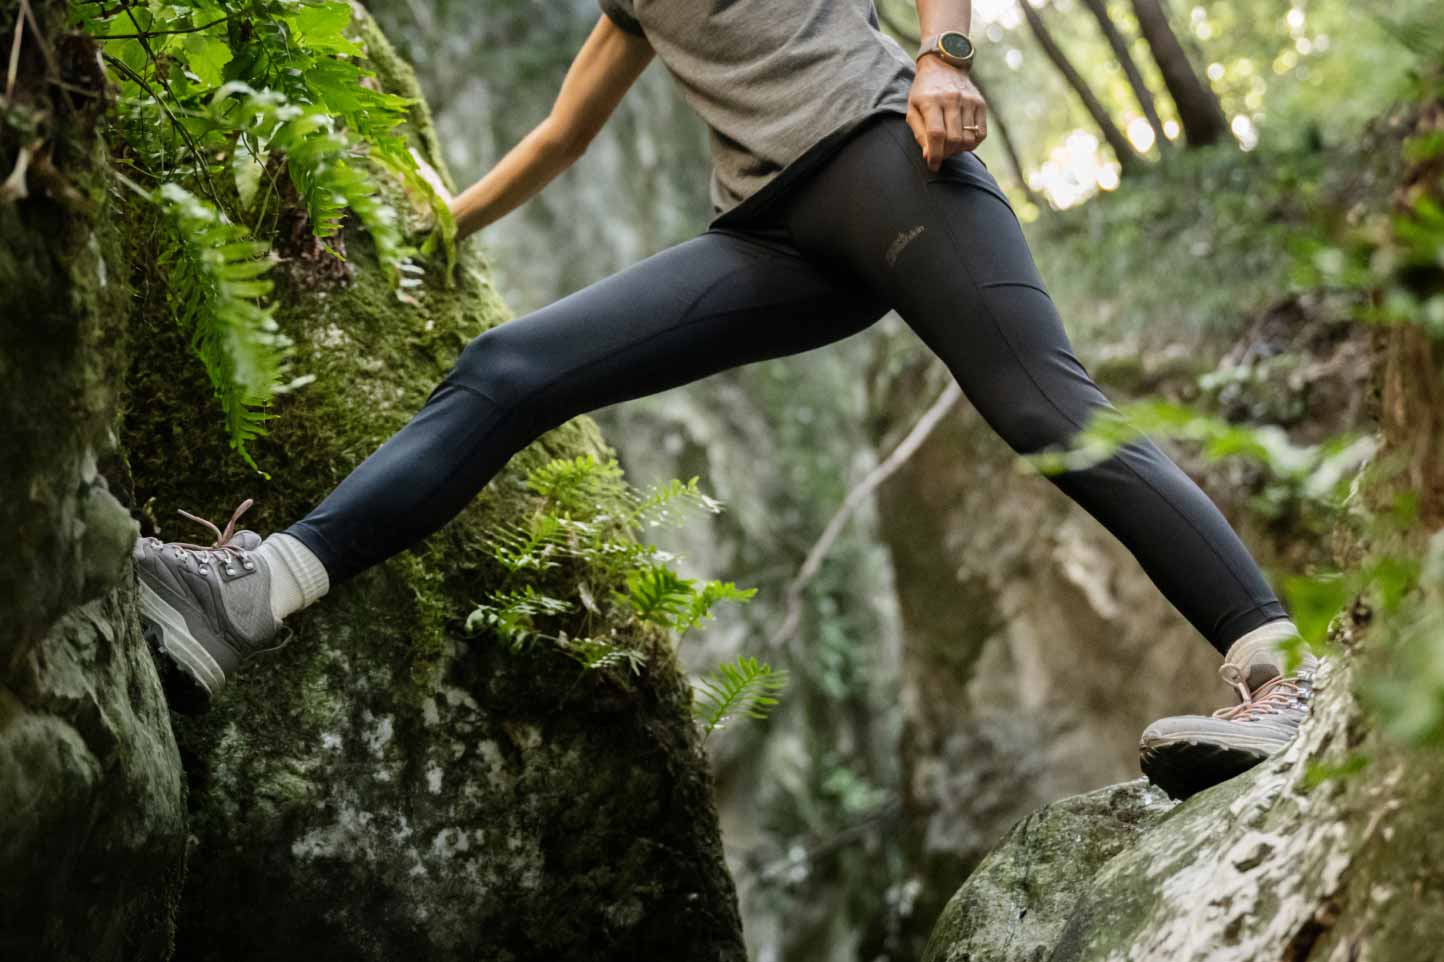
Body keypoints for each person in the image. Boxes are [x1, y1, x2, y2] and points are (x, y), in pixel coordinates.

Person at [132, 0, 1316, 800]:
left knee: (1048, 414)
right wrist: (442, 221)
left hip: (891, 155)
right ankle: (255, 592)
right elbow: (556, 136)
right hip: (773, 235)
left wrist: (947, 54)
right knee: (509, 368)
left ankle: (1280, 677)